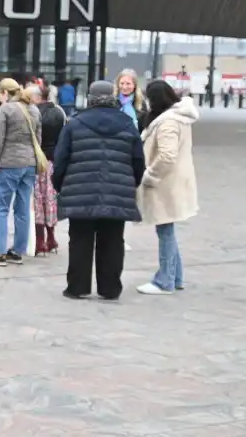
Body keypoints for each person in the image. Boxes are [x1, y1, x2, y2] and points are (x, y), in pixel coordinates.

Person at [53, 80, 145, 300]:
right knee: (113, 241)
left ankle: (77, 287)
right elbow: (138, 161)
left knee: (79, 240)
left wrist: (61, 185)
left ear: (89, 98)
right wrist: (130, 184)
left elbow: (61, 159)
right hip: (117, 191)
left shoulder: (75, 124)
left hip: (80, 190)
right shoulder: (127, 124)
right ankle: (110, 288)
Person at [136, 81, 199, 295]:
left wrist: (150, 175)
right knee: (167, 229)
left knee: (164, 230)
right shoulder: (177, 117)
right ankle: (176, 276)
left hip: (165, 183)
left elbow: (167, 156)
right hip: (173, 182)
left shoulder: (168, 122)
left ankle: (165, 280)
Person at [0, 78, 41, 266]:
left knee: (1, 208)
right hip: (30, 164)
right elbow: (38, 139)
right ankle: (17, 251)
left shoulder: (6, 109)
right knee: (22, 208)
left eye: (0, 94)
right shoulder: (34, 109)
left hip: (10, 164)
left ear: (5, 93)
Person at [30, 85, 65, 256]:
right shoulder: (59, 113)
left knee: (37, 199)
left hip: (36, 160)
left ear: (36, 97)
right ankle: (51, 238)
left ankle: (39, 241)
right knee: (50, 199)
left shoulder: (32, 113)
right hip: (53, 159)